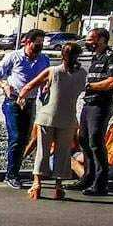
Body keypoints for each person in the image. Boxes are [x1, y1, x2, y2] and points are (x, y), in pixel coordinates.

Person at [18, 43, 89, 200]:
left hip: (47, 116)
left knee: (42, 151)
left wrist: (21, 97)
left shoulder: (53, 71)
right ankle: (58, 186)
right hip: (68, 118)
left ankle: (37, 184)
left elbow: (30, 85)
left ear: (62, 55)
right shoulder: (82, 73)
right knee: (63, 153)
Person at [0, 29, 50, 189]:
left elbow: (45, 80)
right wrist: (4, 84)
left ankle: (14, 170)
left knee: (24, 139)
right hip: (13, 102)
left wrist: (46, 89)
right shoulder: (14, 57)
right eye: (37, 43)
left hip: (30, 102)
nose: (40, 46)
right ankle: (11, 175)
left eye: (42, 43)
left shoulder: (44, 60)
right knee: (16, 137)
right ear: (28, 42)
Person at [75, 28, 113, 195]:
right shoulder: (96, 57)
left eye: (91, 39)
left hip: (101, 104)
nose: (88, 42)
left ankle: (100, 183)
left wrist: (89, 86)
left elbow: (112, 81)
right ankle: (87, 177)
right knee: (83, 139)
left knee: (95, 141)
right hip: (89, 102)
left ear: (102, 39)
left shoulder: (111, 56)